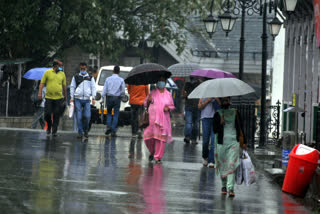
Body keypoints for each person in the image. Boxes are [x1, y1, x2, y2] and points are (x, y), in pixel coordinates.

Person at [213, 97, 246, 197]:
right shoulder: (217, 114)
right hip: (221, 143)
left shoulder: (235, 112)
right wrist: (220, 123)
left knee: (231, 164)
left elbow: (241, 127)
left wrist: (244, 142)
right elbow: (215, 130)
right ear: (221, 102)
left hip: (234, 143)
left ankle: (230, 188)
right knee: (223, 165)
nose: (226, 102)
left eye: (227, 100)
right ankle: (223, 185)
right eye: (224, 101)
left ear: (230, 101)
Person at [143, 75, 175, 164]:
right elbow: (145, 104)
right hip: (151, 121)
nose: (161, 82)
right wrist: (149, 100)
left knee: (160, 140)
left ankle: (158, 157)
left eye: (162, 80)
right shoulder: (152, 93)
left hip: (163, 121)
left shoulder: (168, 94)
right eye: (159, 80)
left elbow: (172, 106)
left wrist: (168, 108)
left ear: (165, 82)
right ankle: (152, 151)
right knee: (147, 138)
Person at [38, 60, 67, 137]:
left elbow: (64, 86)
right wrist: (40, 93)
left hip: (59, 98)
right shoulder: (48, 72)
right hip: (49, 97)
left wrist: (65, 96)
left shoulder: (62, 74)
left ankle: (54, 131)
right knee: (47, 114)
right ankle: (49, 125)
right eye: (60, 66)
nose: (61, 68)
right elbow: (42, 83)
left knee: (56, 115)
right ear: (55, 66)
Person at [70, 62, 96, 139]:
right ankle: (80, 132)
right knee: (79, 116)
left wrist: (93, 98)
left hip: (87, 99)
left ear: (86, 68)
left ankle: (86, 130)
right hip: (77, 98)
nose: (83, 70)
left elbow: (93, 87)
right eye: (81, 69)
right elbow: (72, 87)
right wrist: (72, 98)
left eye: (84, 69)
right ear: (80, 68)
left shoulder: (90, 78)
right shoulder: (76, 77)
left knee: (87, 116)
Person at [101, 65, 125, 137]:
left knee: (108, 113)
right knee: (116, 114)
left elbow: (104, 90)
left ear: (113, 71)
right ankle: (113, 130)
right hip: (117, 98)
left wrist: (102, 99)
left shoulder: (108, 79)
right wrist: (121, 97)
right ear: (119, 72)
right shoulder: (121, 80)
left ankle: (108, 127)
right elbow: (123, 91)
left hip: (109, 98)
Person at [198, 97, 220, 167]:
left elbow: (221, 105)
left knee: (213, 141)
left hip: (215, 119)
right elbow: (199, 107)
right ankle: (205, 157)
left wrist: (216, 99)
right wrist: (208, 100)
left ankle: (212, 160)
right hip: (205, 118)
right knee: (205, 140)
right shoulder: (203, 94)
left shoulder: (217, 94)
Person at [183, 77, 200, 144]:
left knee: (193, 123)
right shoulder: (188, 84)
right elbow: (184, 95)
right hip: (190, 106)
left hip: (195, 106)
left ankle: (191, 138)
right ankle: (189, 137)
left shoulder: (199, 84)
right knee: (191, 123)